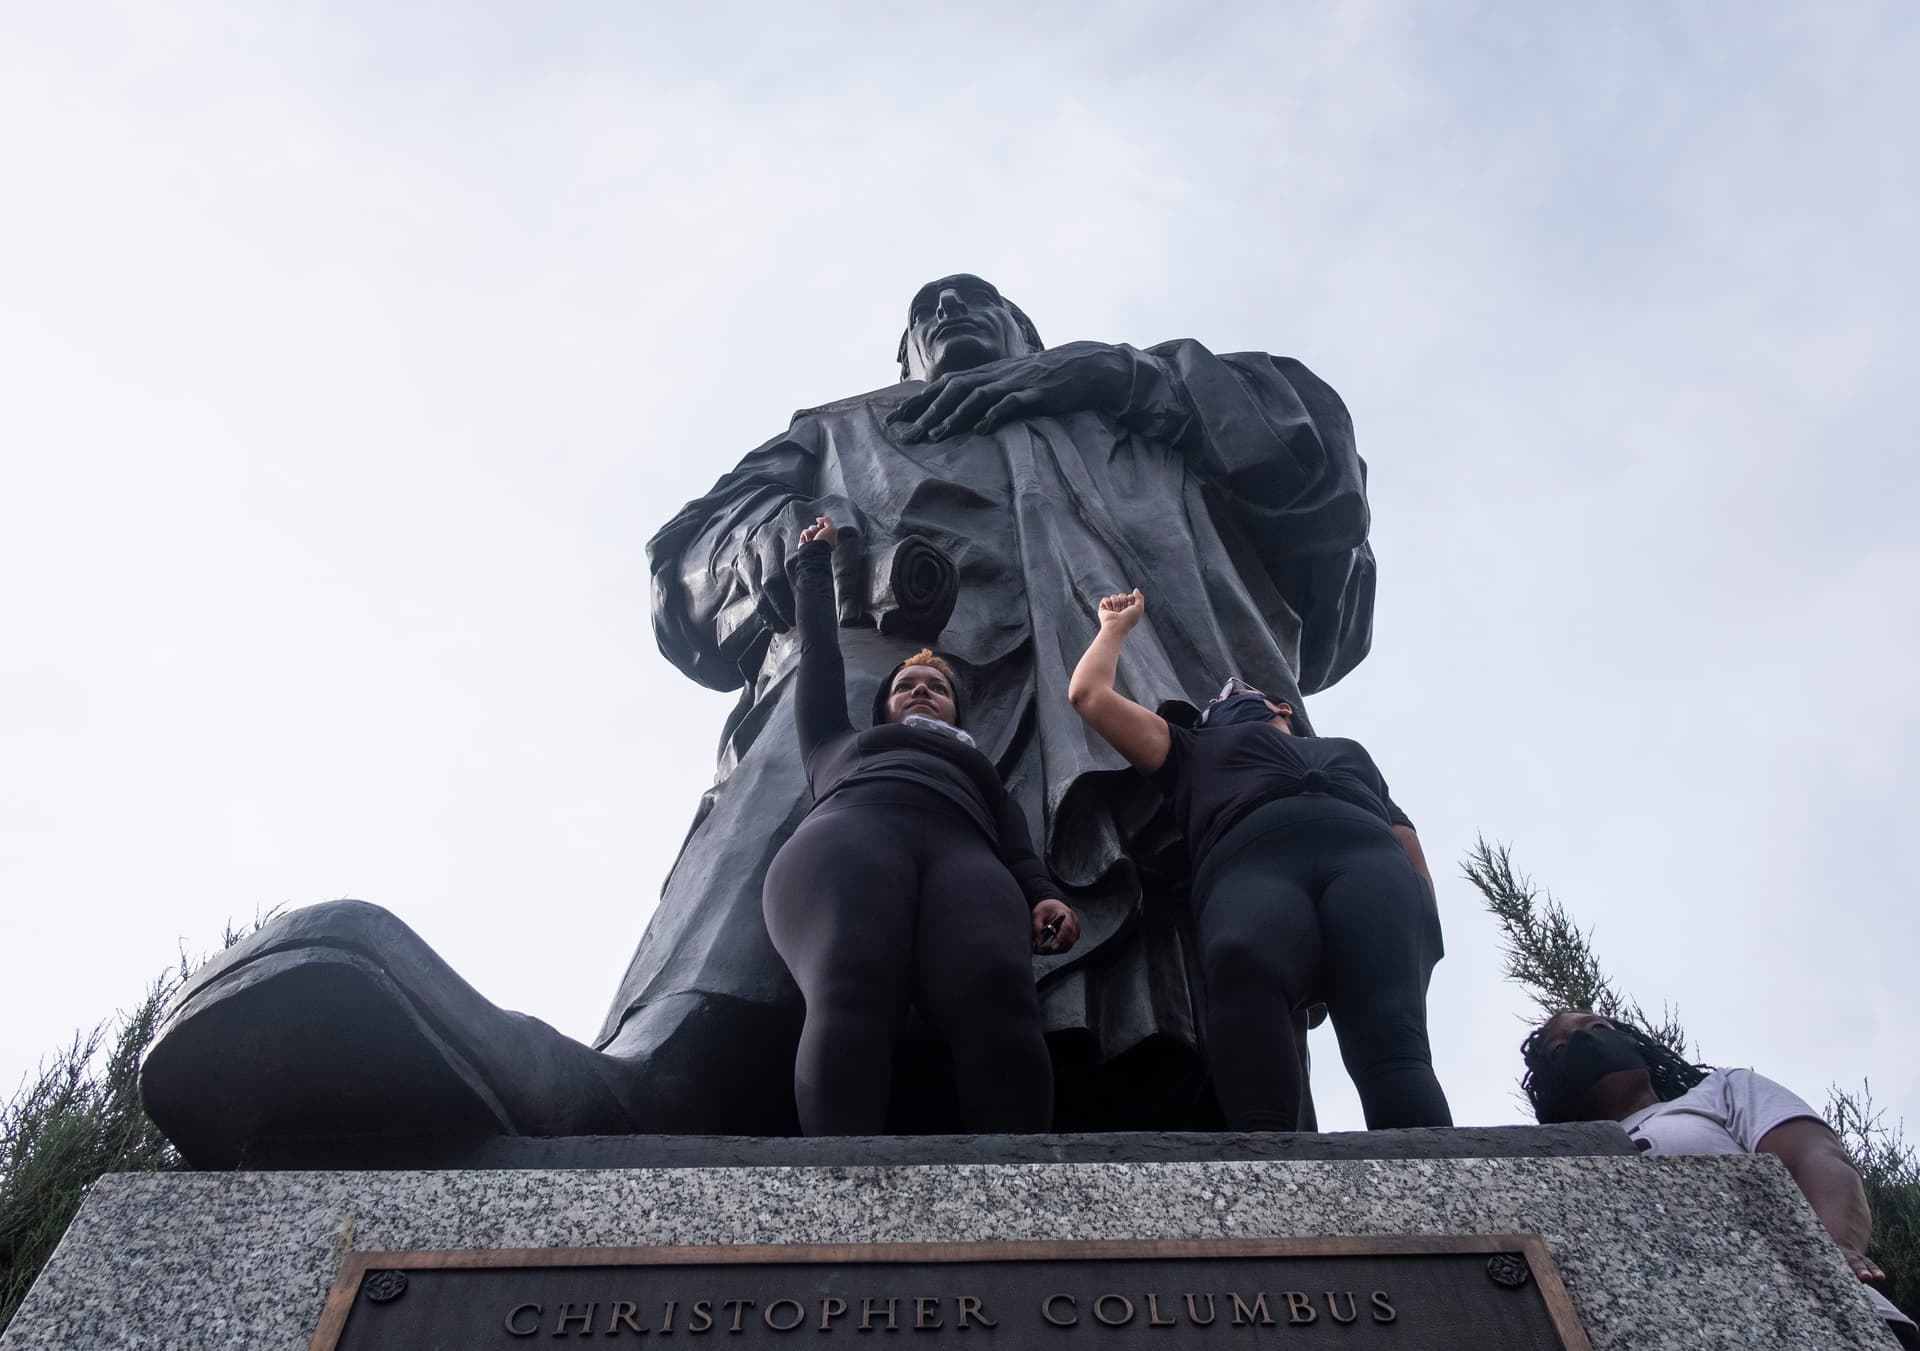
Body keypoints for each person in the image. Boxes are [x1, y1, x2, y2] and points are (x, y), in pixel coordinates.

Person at [141, 273, 1384, 1161]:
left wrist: (1132, 376)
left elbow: (1322, 485)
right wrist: (841, 575)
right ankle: (660, 1076)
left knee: (1217, 787)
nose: (953, 320)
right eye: (927, 316)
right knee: (831, 700)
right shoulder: (838, 436)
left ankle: (1253, 1133)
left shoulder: (1132, 405)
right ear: (899, 362)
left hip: (1126, 734)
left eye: (981, 307)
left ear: (1033, 331)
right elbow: (688, 575)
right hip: (889, 742)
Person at [1066, 587, 1449, 1132]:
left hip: (1370, 868)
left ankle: (1435, 1187)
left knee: (1393, 1038)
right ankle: (1264, 1175)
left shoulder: (1345, 750)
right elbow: (1088, 696)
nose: (1223, 698)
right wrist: (1114, 628)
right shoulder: (1190, 750)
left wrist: (1425, 920)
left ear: (1283, 706)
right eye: (1215, 704)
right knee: (1245, 971)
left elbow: (1404, 836)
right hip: (1250, 869)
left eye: (1237, 691)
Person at [766, 514, 1078, 1134]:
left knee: (999, 994)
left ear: (957, 708)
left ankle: (1025, 1194)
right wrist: (813, 566)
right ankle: (835, 1187)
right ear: (883, 704)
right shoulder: (834, 742)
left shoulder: (981, 774)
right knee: (851, 984)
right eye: (905, 684)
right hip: (850, 840)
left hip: (964, 856)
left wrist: (1043, 894)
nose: (920, 690)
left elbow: (1016, 851)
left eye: (936, 686)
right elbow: (821, 657)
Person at [1523, 1010, 1916, 1347]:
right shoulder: (1553, 1157)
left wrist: (1833, 1249)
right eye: (1561, 1047)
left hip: (1818, 1318)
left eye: (1599, 1029)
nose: (1583, 1040)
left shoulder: (1721, 1091)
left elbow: (1816, 1158)